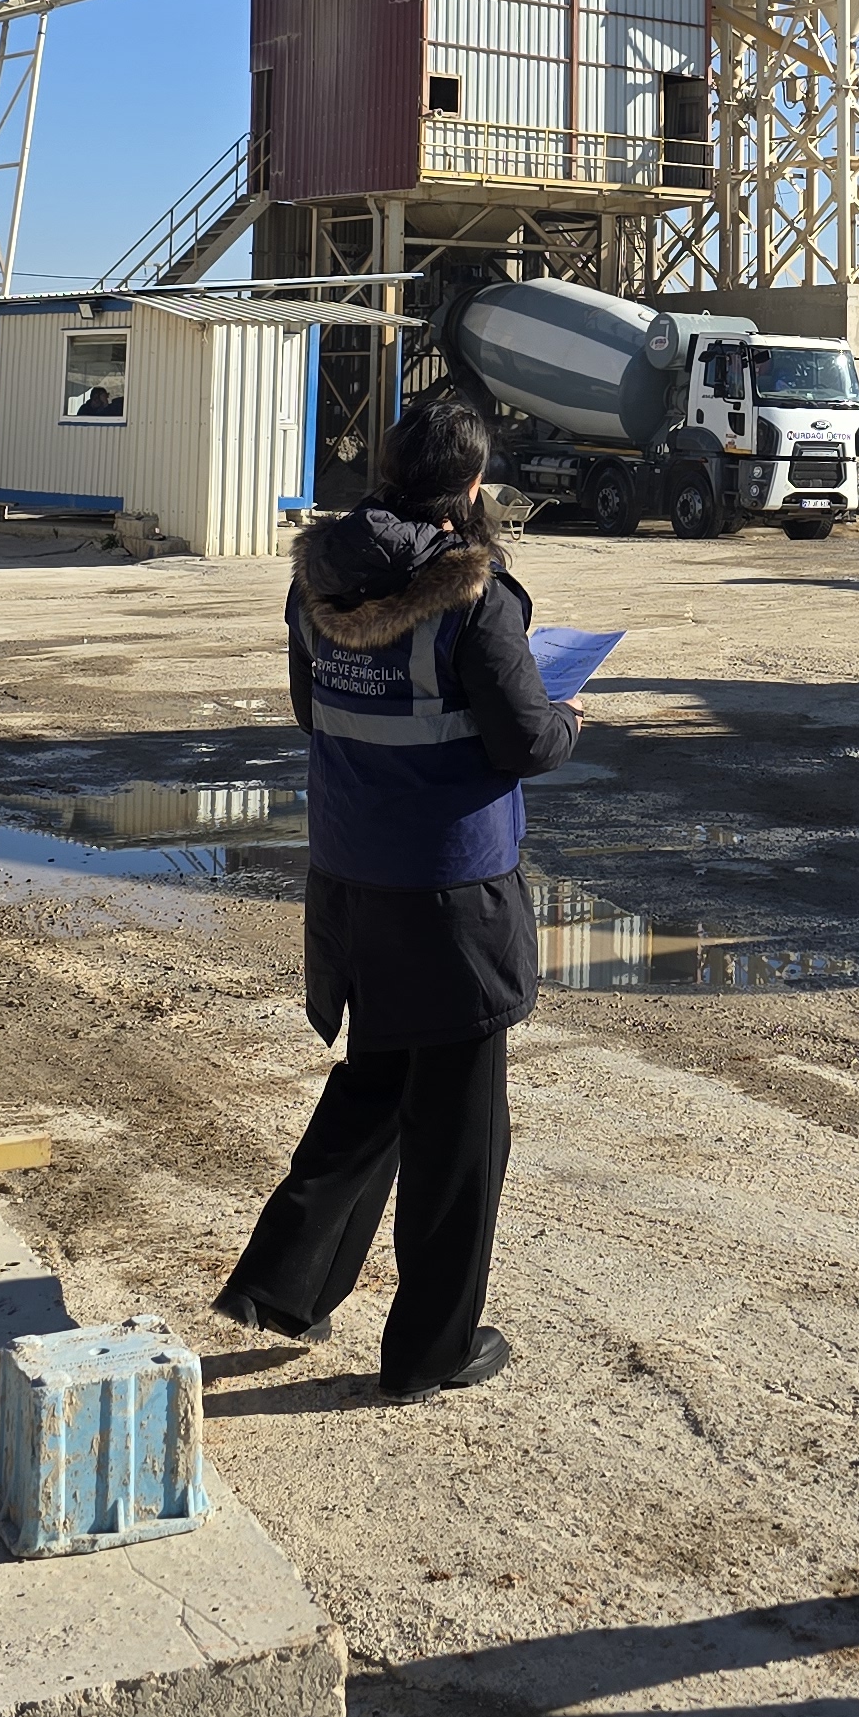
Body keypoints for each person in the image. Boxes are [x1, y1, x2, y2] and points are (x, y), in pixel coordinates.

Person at [218, 391, 577, 1399]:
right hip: (453, 893)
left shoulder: (317, 583)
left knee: (377, 1079)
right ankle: (431, 1349)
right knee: (461, 1133)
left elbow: (310, 709)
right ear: (468, 485)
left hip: (349, 876)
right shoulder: (477, 596)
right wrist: (568, 720)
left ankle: (285, 1281)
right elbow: (522, 739)